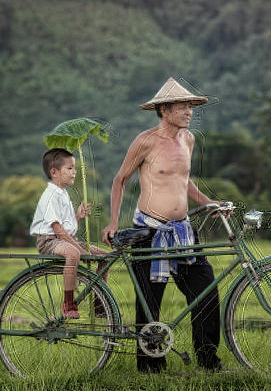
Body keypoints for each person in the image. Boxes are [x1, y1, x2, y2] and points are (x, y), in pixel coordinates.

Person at [102, 77, 225, 373]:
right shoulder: (145, 142)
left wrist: (211, 204)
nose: (189, 111)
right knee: (148, 304)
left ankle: (208, 362)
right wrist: (113, 223)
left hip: (183, 231)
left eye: (191, 106)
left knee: (206, 293)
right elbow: (120, 180)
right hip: (149, 231)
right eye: (183, 106)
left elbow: (184, 184)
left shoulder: (188, 140)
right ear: (165, 109)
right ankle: (150, 369)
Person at [30, 148, 107, 319]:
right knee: (73, 254)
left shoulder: (63, 193)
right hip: (49, 241)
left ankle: (100, 306)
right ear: (54, 172)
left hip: (63, 239)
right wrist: (78, 249)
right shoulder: (50, 195)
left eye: (75, 168)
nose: (75, 172)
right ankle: (68, 303)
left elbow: (65, 226)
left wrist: (77, 217)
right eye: (70, 168)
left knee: (105, 257)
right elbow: (57, 229)